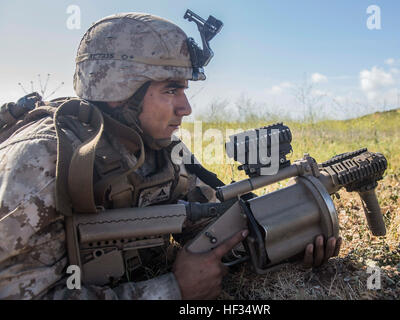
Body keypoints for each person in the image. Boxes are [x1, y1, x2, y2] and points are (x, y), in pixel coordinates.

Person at [0, 12, 341, 300]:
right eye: (170, 89)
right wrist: (170, 290)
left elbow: (210, 225)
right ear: (120, 91)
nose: (186, 108)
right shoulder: (41, 161)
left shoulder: (162, 150)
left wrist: (287, 238)